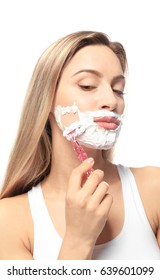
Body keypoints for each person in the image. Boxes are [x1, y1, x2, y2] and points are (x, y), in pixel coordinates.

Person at [0, 31, 160, 260]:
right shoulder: (9, 220)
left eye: (118, 89)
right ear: (46, 99)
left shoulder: (154, 189)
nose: (111, 100)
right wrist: (78, 240)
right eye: (87, 85)